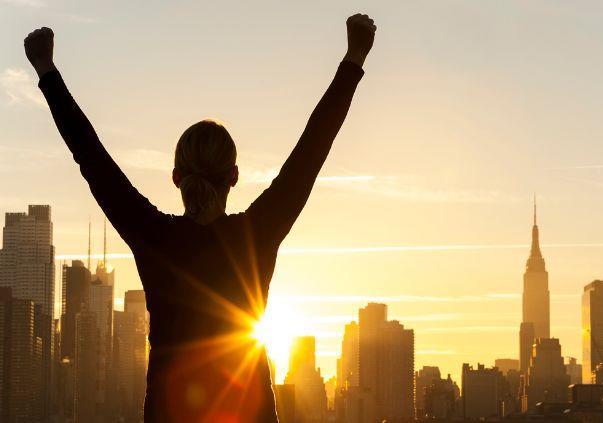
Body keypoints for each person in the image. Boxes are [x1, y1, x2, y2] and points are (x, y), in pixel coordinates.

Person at [25, 13, 376, 422]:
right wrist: (353, 58)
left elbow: (91, 155)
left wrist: (46, 70)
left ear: (176, 177)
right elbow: (311, 150)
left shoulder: (154, 237)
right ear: (234, 176)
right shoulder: (256, 235)